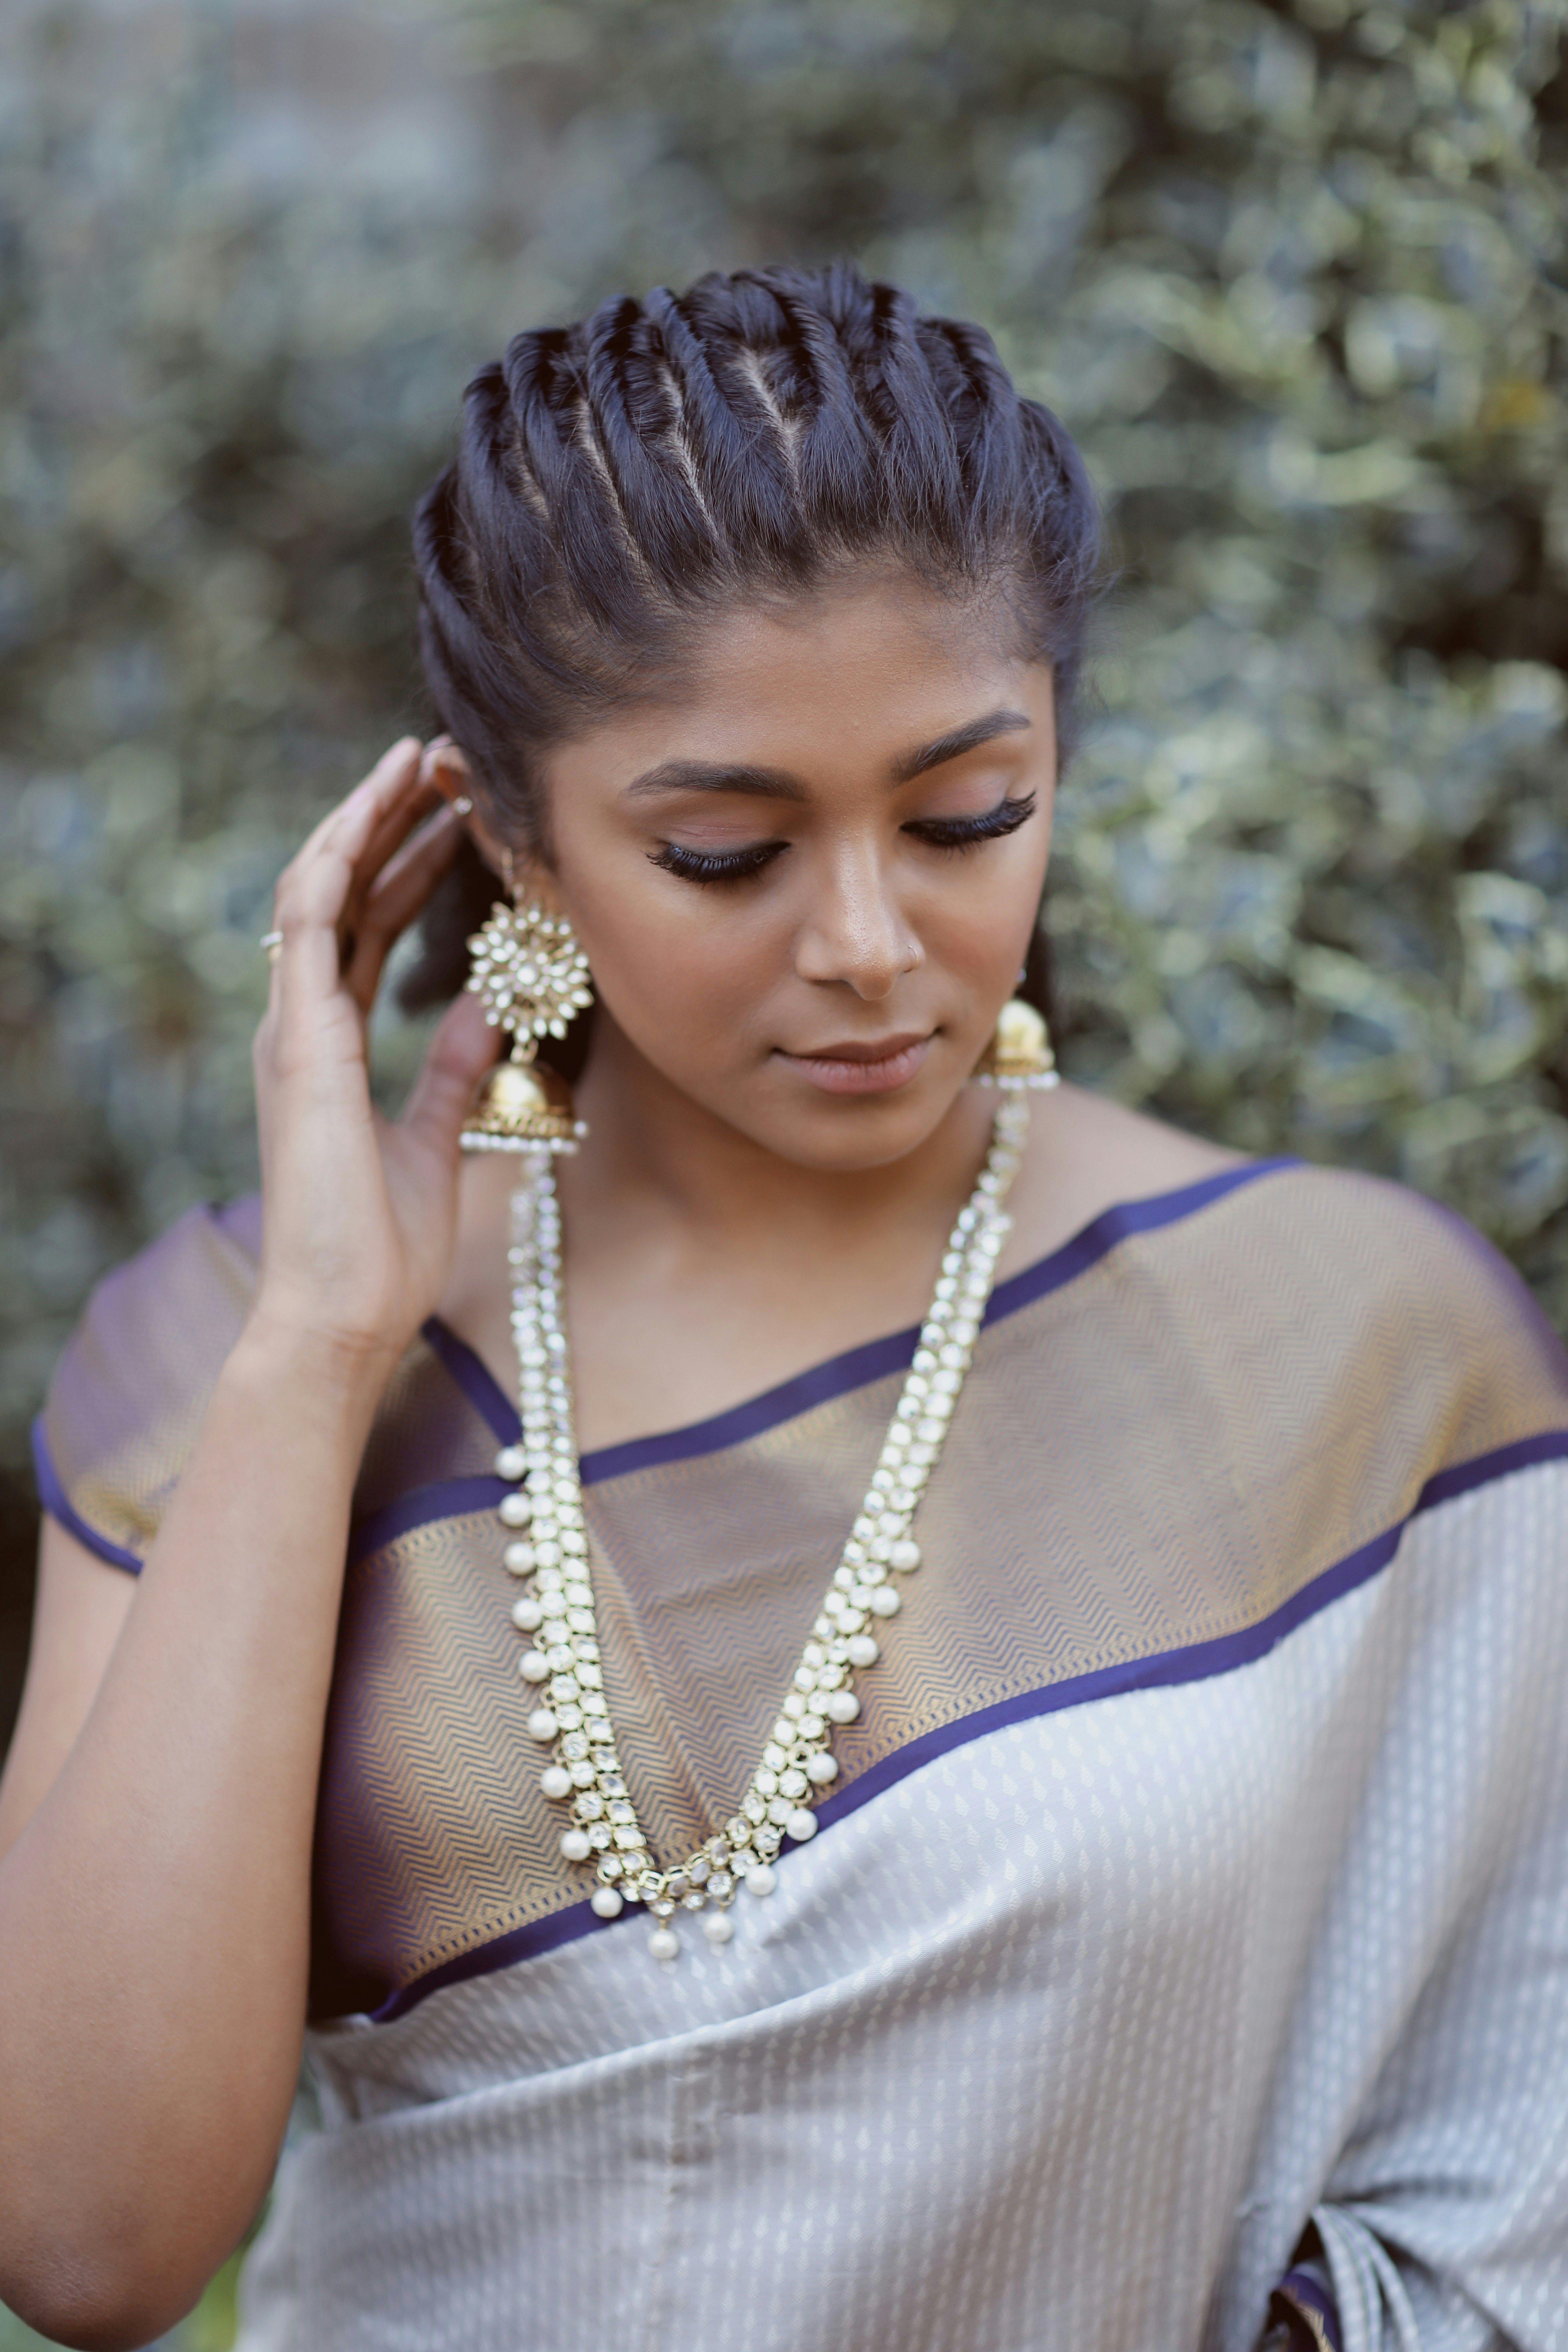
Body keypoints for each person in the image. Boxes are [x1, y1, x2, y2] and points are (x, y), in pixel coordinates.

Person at [1, 263, 1566, 2352]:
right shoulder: (227, 1357)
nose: (869, 943)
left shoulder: (1353, 1341)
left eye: (964, 818)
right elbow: (91, 2243)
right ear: (517, 847)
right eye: (730, 853)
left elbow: (1499, 2174)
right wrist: (312, 1362)